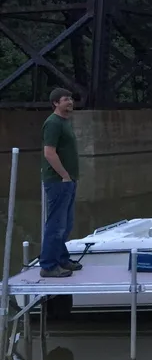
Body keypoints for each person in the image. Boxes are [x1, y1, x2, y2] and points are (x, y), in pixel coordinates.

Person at [40, 87, 83, 277]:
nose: (70, 102)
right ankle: (48, 266)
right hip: (58, 181)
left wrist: (70, 178)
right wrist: (64, 175)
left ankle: (62, 259)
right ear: (56, 103)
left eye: (71, 99)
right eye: (66, 99)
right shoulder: (53, 123)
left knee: (66, 224)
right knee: (56, 225)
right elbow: (49, 152)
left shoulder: (65, 122)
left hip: (69, 180)